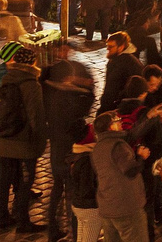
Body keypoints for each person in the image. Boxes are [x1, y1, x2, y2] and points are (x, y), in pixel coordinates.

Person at [0, 41, 47, 231]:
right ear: (31, 63)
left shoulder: (6, 79)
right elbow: (36, 115)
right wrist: (40, 140)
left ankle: (3, 217)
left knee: (5, 179)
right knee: (24, 182)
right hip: (23, 142)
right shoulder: (31, 83)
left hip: (5, 139)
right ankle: (22, 221)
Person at [43, 40, 96, 242]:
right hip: (65, 141)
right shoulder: (50, 74)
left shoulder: (78, 70)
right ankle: (66, 231)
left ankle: (65, 231)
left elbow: (90, 96)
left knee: (63, 186)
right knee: (66, 187)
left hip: (62, 138)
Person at [91, 111, 150, 242]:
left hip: (108, 207)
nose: (121, 122)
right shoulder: (117, 145)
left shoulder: (98, 147)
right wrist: (141, 156)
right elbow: (130, 171)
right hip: (126, 206)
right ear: (110, 127)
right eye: (118, 120)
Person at [68, 127, 102, 242]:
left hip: (79, 204)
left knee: (82, 238)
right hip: (89, 208)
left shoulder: (77, 154)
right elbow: (87, 188)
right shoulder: (87, 160)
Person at [99, 32, 145, 114]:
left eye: (111, 46)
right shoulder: (119, 58)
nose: (108, 49)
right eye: (107, 46)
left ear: (121, 47)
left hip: (121, 107)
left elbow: (111, 89)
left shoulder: (122, 64)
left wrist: (104, 109)